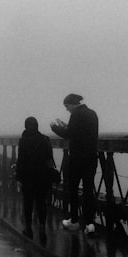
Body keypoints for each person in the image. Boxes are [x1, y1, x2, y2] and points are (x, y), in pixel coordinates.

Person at [50, 93, 99, 234]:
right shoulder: (92, 114)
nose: (66, 109)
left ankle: (74, 221)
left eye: (66, 106)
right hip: (91, 157)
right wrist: (66, 126)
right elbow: (80, 132)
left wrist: (54, 127)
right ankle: (90, 224)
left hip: (77, 158)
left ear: (72, 104)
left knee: (73, 189)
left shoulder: (76, 114)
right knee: (88, 190)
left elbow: (68, 135)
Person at [15, 116, 55, 244]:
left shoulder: (23, 141)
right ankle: (42, 229)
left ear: (26, 126)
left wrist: (18, 178)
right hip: (42, 176)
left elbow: (20, 161)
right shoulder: (45, 139)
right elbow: (49, 158)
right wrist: (51, 177)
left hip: (27, 177)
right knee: (41, 203)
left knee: (28, 203)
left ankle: (28, 228)